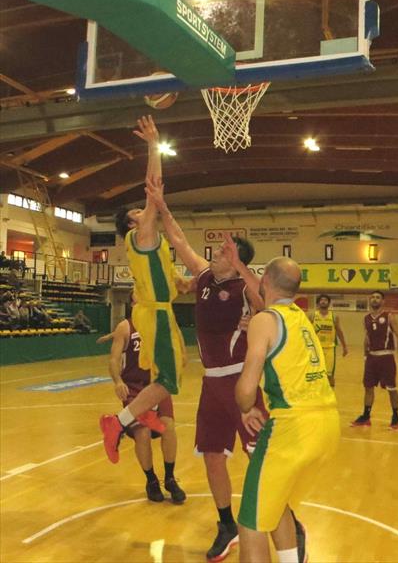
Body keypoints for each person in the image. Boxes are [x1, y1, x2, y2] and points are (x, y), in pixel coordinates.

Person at [146, 175, 268, 561]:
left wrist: (240, 267)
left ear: (238, 262)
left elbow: (264, 300)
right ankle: (226, 524)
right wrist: (163, 207)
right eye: (216, 253)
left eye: (223, 255)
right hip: (211, 386)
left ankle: (285, 519)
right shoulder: (202, 278)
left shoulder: (247, 288)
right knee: (213, 456)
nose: (214, 257)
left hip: (241, 385)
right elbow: (180, 240)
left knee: (262, 457)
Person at [235, 257, 340, 563]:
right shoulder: (299, 317)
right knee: (276, 501)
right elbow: (269, 292)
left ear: (265, 279)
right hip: (326, 427)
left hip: (292, 428)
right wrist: (240, 267)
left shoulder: (264, 321)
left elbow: (246, 391)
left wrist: (244, 408)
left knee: (251, 526)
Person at [99, 115, 187, 464]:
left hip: (159, 311)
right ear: (131, 224)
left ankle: (131, 415)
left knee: (169, 376)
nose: (143, 208)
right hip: (155, 315)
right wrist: (153, 145)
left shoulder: (154, 244)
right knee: (170, 380)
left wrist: (182, 281)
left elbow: (166, 275)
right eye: (138, 210)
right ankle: (118, 421)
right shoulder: (142, 235)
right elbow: (154, 185)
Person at [108, 312, 186, 504]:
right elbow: (113, 359)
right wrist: (118, 381)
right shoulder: (126, 327)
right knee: (142, 433)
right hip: (134, 387)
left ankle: (169, 478)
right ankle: (151, 480)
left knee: (168, 427)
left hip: (159, 384)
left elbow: (179, 346)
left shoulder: (162, 320)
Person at [351, 290, 398, 430]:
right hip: (371, 357)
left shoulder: (389, 316)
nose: (375, 299)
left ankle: (396, 417)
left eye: (378, 297)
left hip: (386, 356)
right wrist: (364, 355)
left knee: (391, 388)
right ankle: (366, 416)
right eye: (373, 297)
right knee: (368, 387)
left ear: (383, 301)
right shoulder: (366, 318)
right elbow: (367, 338)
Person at [309, 294, 348, 387]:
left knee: (330, 375)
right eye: (321, 300)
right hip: (316, 349)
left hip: (330, 349)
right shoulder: (312, 316)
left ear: (329, 303)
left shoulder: (334, 316)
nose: (323, 301)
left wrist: (344, 347)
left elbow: (339, 332)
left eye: (325, 300)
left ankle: (331, 395)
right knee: (314, 374)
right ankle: (315, 395)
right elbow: (306, 332)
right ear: (318, 303)